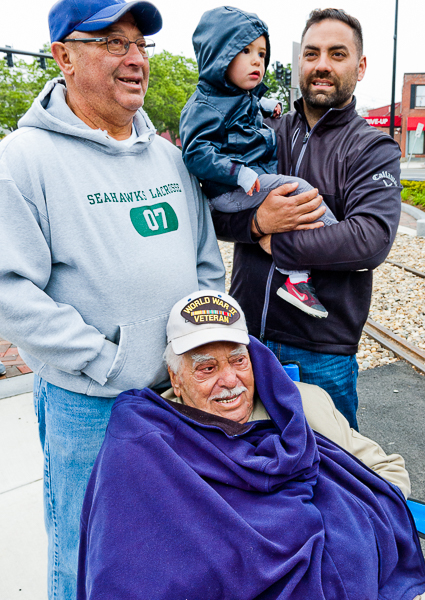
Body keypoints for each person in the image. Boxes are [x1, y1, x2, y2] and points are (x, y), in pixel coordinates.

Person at [0, 0, 224, 597]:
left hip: (177, 396)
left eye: (139, 45)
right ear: (63, 56)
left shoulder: (170, 160)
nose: (134, 59)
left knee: (165, 545)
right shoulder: (23, 161)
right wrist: (105, 361)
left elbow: (206, 265)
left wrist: (202, 355)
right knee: (86, 551)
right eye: (111, 42)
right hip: (88, 406)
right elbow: (9, 288)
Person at [77, 290, 425, 600]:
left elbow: (385, 471)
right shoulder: (152, 437)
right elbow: (128, 555)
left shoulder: (304, 406)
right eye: (207, 368)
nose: (229, 380)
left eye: (238, 360)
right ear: (176, 378)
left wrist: (343, 531)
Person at [211, 9, 402, 431]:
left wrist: (276, 243)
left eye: (337, 54)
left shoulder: (373, 148)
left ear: (361, 66)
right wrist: (259, 222)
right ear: (300, 63)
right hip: (246, 342)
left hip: (321, 355)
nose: (322, 65)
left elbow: (369, 240)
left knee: (330, 473)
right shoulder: (265, 131)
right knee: (250, 469)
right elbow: (215, 209)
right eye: (312, 53)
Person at [180, 6, 338, 319]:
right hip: (229, 188)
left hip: (245, 183)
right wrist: (238, 173)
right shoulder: (204, 106)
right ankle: (333, 239)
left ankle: (297, 278)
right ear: (218, 56)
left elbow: (248, 107)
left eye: (262, 54)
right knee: (297, 188)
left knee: (285, 212)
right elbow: (196, 152)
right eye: (245, 51)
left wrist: (268, 105)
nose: (257, 61)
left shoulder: (241, 95)